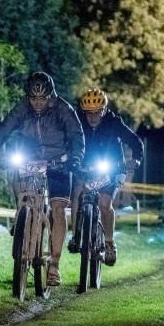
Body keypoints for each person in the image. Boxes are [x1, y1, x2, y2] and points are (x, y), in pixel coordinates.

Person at [0, 71, 85, 286]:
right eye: (33, 98)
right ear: (27, 97)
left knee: (58, 209)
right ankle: (22, 213)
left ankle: (54, 265)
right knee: (16, 172)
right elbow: (4, 128)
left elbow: (77, 135)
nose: (38, 103)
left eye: (42, 99)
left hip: (59, 161)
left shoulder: (63, 109)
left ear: (51, 96)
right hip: (31, 158)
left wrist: (75, 158)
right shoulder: (22, 107)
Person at [68, 88, 143, 266]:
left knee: (104, 203)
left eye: (97, 113)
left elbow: (135, 141)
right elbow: (67, 139)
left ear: (104, 110)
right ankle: (75, 236)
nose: (93, 117)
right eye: (89, 113)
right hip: (86, 168)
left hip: (112, 170)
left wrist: (136, 159)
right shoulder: (78, 121)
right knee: (77, 192)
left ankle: (109, 243)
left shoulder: (114, 122)